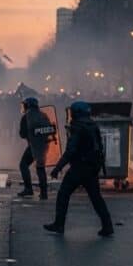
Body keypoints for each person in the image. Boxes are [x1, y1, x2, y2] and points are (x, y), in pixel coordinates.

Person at [45, 101, 114, 237]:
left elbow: (70, 151)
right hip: (92, 167)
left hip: (79, 168)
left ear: (76, 113)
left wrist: (57, 168)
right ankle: (108, 226)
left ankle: (59, 224)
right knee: (96, 198)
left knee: (63, 194)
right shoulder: (93, 125)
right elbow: (99, 147)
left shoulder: (77, 127)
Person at [17, 97, 55, 200]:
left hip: (33, 145)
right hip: (43, 145)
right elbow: (51, 130)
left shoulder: (26, 117)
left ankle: (28, 189)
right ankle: (44, 193)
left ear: (27, 105)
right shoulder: (43, 115)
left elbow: (22, 134)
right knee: (40, 167)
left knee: (23, 164)